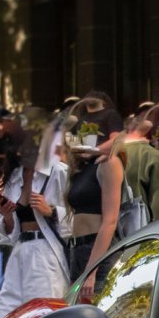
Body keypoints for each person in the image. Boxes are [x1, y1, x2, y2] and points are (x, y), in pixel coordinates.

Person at [0, 108, 73, 318]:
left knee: (40, 314)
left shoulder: (58, 172)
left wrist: (52, 211)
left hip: (45, 252)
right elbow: (8, 233)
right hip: (20, 250)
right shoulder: (15, 177)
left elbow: (78, 216)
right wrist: (7, 216)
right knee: (6, 314)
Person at [63, 102, 125, 281]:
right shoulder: (81, 167)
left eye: (91, 135)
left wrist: (92, 270)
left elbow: (110, 221)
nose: (85, 139)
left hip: (97, 250)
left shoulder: (109, 163)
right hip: (76, 249)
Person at [118, 111, 159, 219]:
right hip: (143, 229)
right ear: (153, 137)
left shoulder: (108, 154)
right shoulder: (154, 157)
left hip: (110, 228)